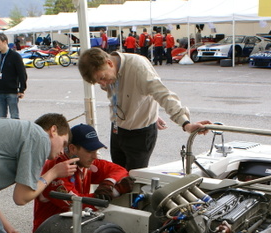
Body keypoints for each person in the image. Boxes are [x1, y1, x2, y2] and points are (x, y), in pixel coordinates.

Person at [77, 48, 211, 170]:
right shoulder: (107, 71)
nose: (103, 84)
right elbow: (126, 97)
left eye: (102, 78)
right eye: (98, 83)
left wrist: (185, 123)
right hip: (117, 129)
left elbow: (163, 94)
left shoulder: (138, 67)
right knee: (117, 174)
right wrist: (149, 110)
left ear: (109, 63)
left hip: (139, 134)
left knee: (134, 181)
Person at [33, 123, 131, 232]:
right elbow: (77, 204)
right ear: (72, 148)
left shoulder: (84, 162)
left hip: (72, 227)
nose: (95, 156)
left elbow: (121, 170)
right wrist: (114, 192)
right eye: (89, 151)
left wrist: (108, 183)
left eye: (96, 150)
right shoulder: (56, 168)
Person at [0, 32, 27, 119]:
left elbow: (22, 74)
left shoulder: (15, 56)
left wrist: (22, 89)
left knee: (14, 116)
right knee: (1, 117)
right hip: (0, 92)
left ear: (5, 42)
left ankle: (15, 132)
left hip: (12, 92)